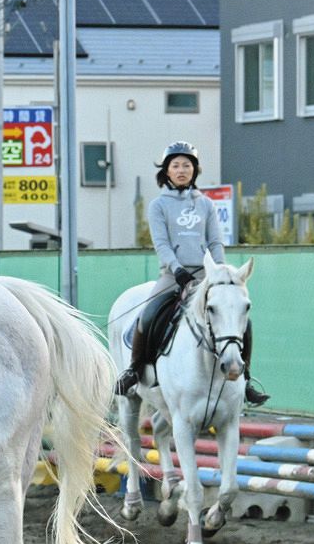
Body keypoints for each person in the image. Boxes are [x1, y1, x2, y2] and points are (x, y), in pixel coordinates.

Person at [115, 141, 270, 406]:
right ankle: (134, 369)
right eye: (175, 165)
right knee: (148, 315)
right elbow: (161, 244)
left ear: (194, 170)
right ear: (166, 171)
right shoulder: (158, 206)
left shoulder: (206, 205)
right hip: (172, 275)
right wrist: (177, 270)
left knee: (240, 321)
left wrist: (218, 273)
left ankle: (245, 378)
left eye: (187, 165)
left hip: (206, 275)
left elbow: (215, 242)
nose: (181, 169)